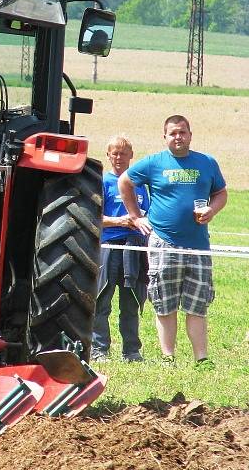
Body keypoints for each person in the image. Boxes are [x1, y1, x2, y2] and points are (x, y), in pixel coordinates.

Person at [118, 115, 227, 369]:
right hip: (163, 243)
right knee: (165, 303)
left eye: (182, 132)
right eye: (173, 133)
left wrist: (212, 210)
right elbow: (125, 182)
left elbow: (220, 193)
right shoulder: (154, 163)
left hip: (199, 245)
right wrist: (135, 216)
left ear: (190, 134)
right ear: (164, 137)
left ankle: (202, 359)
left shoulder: (207, 162)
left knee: (197, 304)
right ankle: (168, 357)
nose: (178, 137)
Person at [91, 135, 149, 363]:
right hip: (109, 245)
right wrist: (119, 222)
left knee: (131, 302)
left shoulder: (140, 185)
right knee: (102, 300)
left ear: (131, 156)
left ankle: (132, 351)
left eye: (123, 153)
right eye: (114, 153)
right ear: (108, 155)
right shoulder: (102, 182)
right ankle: (99, 350)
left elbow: (149, 214)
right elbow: (92, 217)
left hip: (135, 246)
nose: (118, 158)